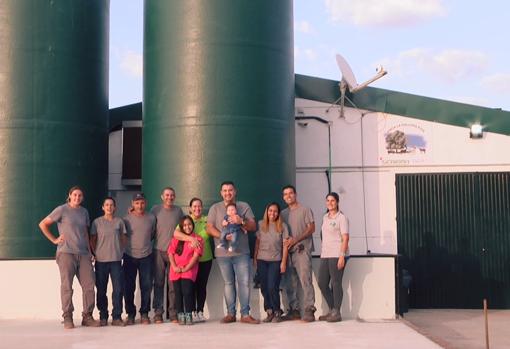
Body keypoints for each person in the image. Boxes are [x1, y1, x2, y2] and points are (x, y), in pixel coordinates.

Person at [38, 186, 100, 329]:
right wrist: (54, 239)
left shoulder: (84, 212)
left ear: (82, 198)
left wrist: (90, 251)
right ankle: (67, 317)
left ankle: (87, 316)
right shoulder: (62, 209)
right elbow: (43, 224)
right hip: (66, 253)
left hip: (84, 254)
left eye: (80, 195)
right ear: (70, 196)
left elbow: (85, 232)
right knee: (67, 286)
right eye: (75, 195)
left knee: (89, 285)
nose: (77, 197)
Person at [206, 181, 259, 324]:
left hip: (242, 253)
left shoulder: (244, 206)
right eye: (224, 190)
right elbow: (209, 228)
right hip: (223, 254)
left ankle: (245, 315)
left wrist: (241, 221)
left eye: (230, 190)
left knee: (244, 283)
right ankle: (230, 314)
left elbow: (253, 226)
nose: (227, 193)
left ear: (235, 192)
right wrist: (222, 236)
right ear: (221, 193)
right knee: (228, 283)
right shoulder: (215, 208)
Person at [280, 185, 316, 322]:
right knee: (290, 283)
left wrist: (296, 239)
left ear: (295, 194)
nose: (288, 196)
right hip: (288, 253)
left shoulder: (305, 210)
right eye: (285, 194)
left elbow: (311, 228)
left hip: (302, 250)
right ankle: (294, 310)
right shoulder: (283, 214)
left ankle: (309, 309)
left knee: (305, 280)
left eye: (290, 193)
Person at [174, 197, 213, 322]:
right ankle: (189, 312)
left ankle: (199, 311)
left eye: (199, 206)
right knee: (190, 288)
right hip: (189, 262)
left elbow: (210, 231)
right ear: (190, 208)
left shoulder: (206, 220)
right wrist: (192, 239)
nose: (197, 208)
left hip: (205, 259)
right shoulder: (186, 221)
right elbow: (176, 234)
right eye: (194, 206)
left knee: (202, 286)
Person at [90, 197, 127, 327]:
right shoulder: (97, 222)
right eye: (106, 205)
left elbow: (123, 239)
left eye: (111, 205)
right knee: (101, 290)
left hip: (116, 260)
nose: (109, 207)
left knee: (118, 289)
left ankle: (117, 317)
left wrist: (120, 251)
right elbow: (93, 239)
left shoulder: (119, 222)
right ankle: (103, 316)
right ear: (103, 207)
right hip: (101, 261)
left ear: (115, 207)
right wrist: (95, 253)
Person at [151, 187, 184, 324]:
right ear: (162, 196)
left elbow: (184, 228)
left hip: (174, 252)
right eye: (167, 195)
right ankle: (158, 313)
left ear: (174, 197)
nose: (169, 197)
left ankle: (173, 313)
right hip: (159, 250)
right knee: (158, 283)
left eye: (172, 195)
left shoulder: (178, 211)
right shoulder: (155, 210)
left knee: (173, 285)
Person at [123, 192, 156, 325]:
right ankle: (130, 314)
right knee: (128, 287)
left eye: (142, 202)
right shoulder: (126, 219)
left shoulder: (151, 218)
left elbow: (153, 234)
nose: (140, 205)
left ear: (145, 203)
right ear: (132, 204)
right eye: (137, 203)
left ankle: (144, 313)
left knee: (146, 286)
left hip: (146, 256)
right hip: (129, 256)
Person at [253, 202, 290, 323]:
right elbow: (257, 243)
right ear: (266, 212)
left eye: (275, 211)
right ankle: (269, 311)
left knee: (272, 286)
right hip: (262, 260)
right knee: (264, 287)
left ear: (278, 213)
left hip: (276, 260)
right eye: (270, 211)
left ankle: (277, 311)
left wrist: (283, 262)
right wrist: (255, 258)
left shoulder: (283, 226)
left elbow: (285, 246)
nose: (272, 213)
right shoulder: (260, 224)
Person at [317, 192, 349, 322]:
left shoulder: (342, 218)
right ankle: (332, 310)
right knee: (322, 283)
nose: (330, 203)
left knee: (336, 283)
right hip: (325, 254)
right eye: (328, 200)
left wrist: (342, 256)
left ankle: (337, 312)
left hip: (337, 254)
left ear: (337, 202)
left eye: (333, 201)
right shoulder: (325, 217)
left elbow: (345, 238)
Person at [168, 215, 203, 325]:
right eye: (185, 225)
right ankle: (180, 315)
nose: (187, 227)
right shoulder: (176, 239)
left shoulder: (198, 239)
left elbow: (196, 256)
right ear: (181, 227)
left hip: (189, 270)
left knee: (187, 292)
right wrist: (174, 266)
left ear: (193, 225)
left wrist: (186, 268)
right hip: (176, 270)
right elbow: (170, 253)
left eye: (189, 224)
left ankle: (189, 314)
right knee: (178, 293)